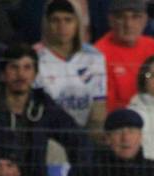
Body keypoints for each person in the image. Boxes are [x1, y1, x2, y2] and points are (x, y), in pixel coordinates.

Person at [0, 43, 90, 176]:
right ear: (3, 73)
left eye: (27, 68)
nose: (21, 75)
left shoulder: (43, 105)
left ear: (35, 74)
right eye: (14, 67)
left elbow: (80, 141)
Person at [35, 0, 107, 139]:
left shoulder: (94, 57)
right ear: (46, 24)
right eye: (55, 20)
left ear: (77, 24)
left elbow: (98, 108)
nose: (62, 26)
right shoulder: (35, 57)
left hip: (84, 136)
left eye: (68, 20)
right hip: (47, 136)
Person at [95, 0, 154, 112]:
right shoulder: (99, 54)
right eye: (121, 17)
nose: (128, 24)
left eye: (135, 17)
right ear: (111, 20)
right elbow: (108, 107)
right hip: (121, 122)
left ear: (145, 20)